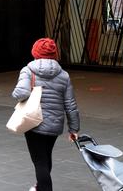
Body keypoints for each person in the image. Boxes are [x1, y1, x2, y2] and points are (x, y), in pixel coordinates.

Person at [12, 38, 80, 191]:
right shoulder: (64, 75)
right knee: (46, 156)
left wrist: (15, 92)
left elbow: (21, 93)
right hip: (54, 125)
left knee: (39, 160)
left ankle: (44, 188)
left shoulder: (28, 70)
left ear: (35, 52)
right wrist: (74, 129)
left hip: (33, 122)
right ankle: (39, 187)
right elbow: (70, 104)